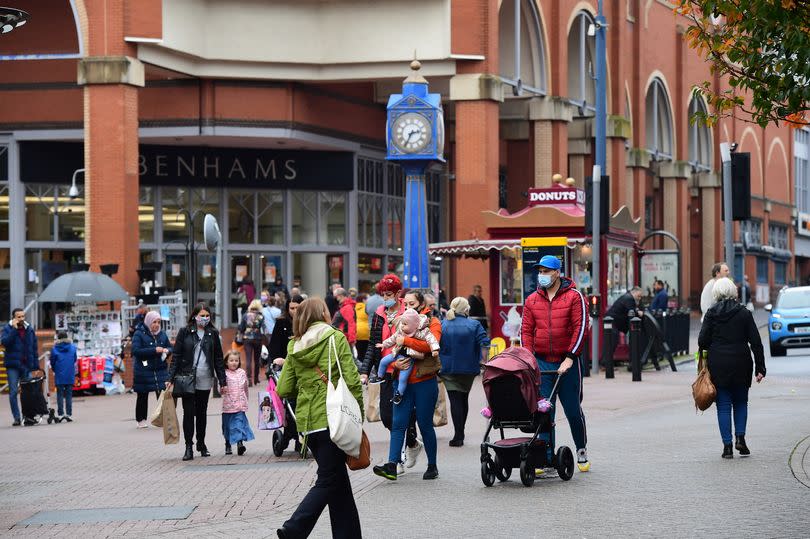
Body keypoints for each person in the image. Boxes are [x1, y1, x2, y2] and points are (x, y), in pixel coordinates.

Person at [276, 297, 363, 539]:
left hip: (309, 423)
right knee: (328, 480)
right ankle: (294, 528)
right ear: (323, 313)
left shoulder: (294, 346)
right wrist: (359, 417)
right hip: (335, 418)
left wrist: (305, 388)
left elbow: (283, 389)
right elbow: (352, 379)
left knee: (338, 484)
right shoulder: (335, 338)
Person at [520, 255, 590, 472]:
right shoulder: (532, 300)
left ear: (557, 272)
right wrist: (529, 359)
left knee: (572, 410)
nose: (542, 275)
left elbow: (581, 327)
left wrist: (570, 357)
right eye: (540, 271)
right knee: (543, 412)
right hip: (542, 362)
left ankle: (581, 449)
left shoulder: (574, 297)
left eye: (547, 271)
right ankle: (545, 456)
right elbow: (526, 331)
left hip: (566, 362)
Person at [373, 289, 441, 480]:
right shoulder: (403, 322)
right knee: (398, 424)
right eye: (406, 304)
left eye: (412, 304)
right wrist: (395, 363)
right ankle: (392, 465)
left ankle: (432, 465)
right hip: (402, 382)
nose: (408, 307)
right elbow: (395, 348)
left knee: (425, 424)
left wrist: (406, 340)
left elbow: (431, 344)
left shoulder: (432, 322)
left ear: (421, 304)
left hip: (424, 381)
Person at [698, 277, 766, 459]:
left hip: (719, 364)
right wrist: (761, 367)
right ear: (733, 292)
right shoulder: (744, 313)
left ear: (716, 293)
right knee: (741, 402)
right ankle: (741, 439)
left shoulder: (711, 313)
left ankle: (727, 447)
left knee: (723, 406)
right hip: (741, 362)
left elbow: (702, 341)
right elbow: (756, 342)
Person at [168, 303, 227, 461]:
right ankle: (189, 446)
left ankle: (201, 443)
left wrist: (223, 380)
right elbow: (176, 356)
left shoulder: (212, 333)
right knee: (189, 413)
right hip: (187, 378)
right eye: (202, 315)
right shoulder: (184, 332)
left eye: (207, 315)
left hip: (205, 378)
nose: (205, 318)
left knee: (201, 412)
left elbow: (219, 358)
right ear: (194, 316)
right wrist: (170, 378)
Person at [439, 297, 490, 446]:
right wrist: (483, 360)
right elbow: (485, 342)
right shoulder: (474, 324)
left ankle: (458, 435)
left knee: (455, 400)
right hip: (469, 368)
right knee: (463, 399)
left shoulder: (443, 324)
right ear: (466, 309)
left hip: (447, 368)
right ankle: (461, 432)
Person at [376, 308, 440, 404]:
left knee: (403, 378)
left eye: (405, 324)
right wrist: (384, 344)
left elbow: (431, 339)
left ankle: (399, 394)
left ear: (414, 325)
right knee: (383, 361)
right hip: (397, 353)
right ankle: (380, 377)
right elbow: (393, 338)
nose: (402, 326)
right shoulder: (401, 331)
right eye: (402, 323)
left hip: (408, 359)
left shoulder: (420, 332)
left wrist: (434, 349)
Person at [132, 310, 171, 428]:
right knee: (142, 395)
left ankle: (162, 418)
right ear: (149, 322)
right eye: (154, 322)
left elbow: (169, 346)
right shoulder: (139, 334)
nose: (157, 324)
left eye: (158, 322)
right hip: (144, 370)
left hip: (160, 369)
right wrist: (154, 350)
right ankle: (141, 419)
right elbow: (136, 351)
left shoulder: (162, 334)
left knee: (162, 395)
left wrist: (168, 351)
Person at [2, 308, 39, 426]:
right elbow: (5, 342)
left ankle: (28, 416)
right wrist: (14, 329)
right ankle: (17, 417)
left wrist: (35, 366)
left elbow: (34, 348)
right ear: (14, 318)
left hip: (26, 365)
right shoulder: (8, 328)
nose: (21, 319)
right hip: (13, 365)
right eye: (19, 317)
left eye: (23, 316)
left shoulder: (29, 329)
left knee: (28, 391)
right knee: (13, 392)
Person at [221, 349, 254, 456]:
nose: (234, 362)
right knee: (227, 427)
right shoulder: (224, 374)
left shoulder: (242, 373)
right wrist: (222, 388)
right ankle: (228, 444)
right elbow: (220, 389)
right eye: (231, 360)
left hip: (240, 406)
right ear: (226, 362)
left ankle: (240, 444)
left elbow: (245, 388)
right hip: (228, 406)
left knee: (239, 425)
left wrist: (246, 400)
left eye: (236, 360)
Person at [267, 294, 305, 371]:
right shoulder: (281, 322)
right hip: (283, 363)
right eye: (292, 308)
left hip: (303, 363)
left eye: (297, 308)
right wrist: (276, 360)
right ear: (287, 309)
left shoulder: (307, 322)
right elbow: (274, 344)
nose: (295, 311)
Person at [604, 286, 643, 360]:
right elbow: (631, 311)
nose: (639, 298)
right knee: (611, 343)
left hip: (612, 321)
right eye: (639, 296)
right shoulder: (629, 299)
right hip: (612, 322)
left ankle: (606, 363)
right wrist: (638, 312)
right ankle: (605, 364)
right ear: (634, 292)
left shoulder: (627, 297)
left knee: (611, 342)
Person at [49, 331, 77, 422]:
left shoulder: (54, 349)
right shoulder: (73, 348)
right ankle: (69, 414)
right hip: (69, 373)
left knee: (60, 395)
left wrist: (55, 369)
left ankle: (61, 414)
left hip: (59, 374)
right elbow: (74, 359)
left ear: (58, 338)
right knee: (68, 395)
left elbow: (52, 362)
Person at [239, 299, 267, 386]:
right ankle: (256, 378)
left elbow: (241, 327)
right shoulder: (261, 316)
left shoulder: (245, 315)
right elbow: (264, 329)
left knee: (248, 359)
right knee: (257, 358)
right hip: (257, 338)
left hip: (247, 338)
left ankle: (249, 379)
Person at [355, 293, 370, 368]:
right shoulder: (366, 307)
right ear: (364, 300)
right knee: (365, 354)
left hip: (357, 331)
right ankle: (364, 369)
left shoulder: (354, 307)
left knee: (359, 353)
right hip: (366, 332)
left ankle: (359, 368)